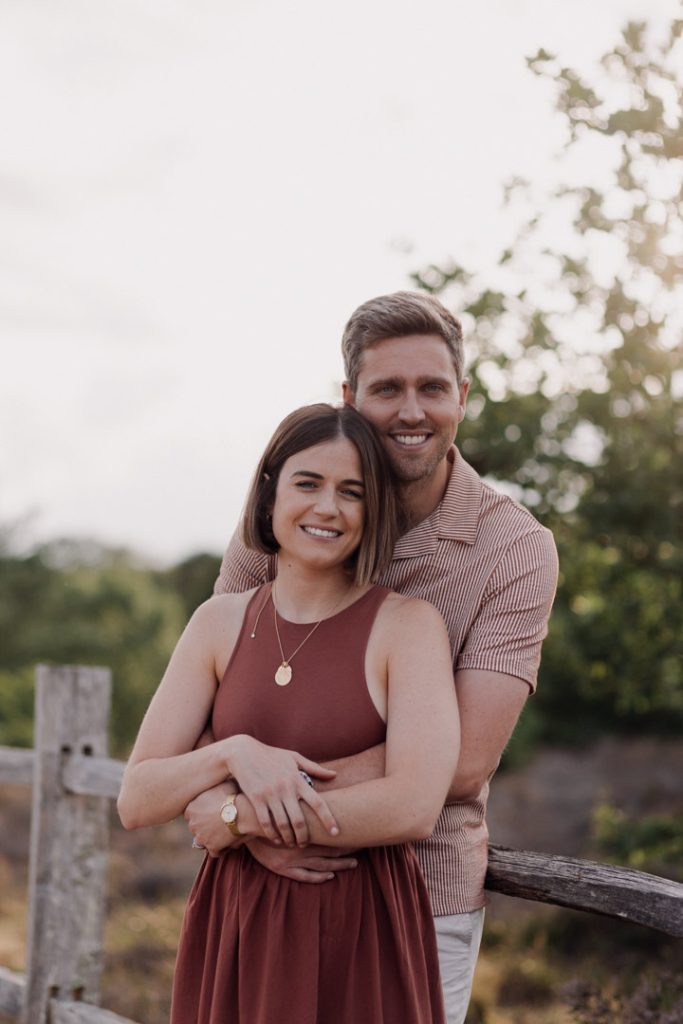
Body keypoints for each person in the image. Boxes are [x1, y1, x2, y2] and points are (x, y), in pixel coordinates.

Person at [185, 291, 559, 1024]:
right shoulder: (288, 515)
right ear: (350, 397)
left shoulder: (513, 550)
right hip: (255, 890)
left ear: (463, 396)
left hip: (421, 897)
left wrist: (257, 811)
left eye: (432, 388)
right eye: (387, 389)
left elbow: (463, 762)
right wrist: (228, 810)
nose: (411, 411)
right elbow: (205, 695)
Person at [118, 403, 460, 1024]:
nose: (328, 508)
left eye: (352, 492)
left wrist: (244, 819)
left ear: (373, 511)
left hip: (360, 923)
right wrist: (231, 753)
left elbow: (413, 804)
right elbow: (138, 797)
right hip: (236, 919)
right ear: (270, 491)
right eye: (309, 483)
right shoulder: (217, 622)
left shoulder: (407, 627)